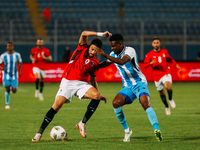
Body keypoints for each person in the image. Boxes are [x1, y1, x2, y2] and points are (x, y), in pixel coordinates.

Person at [32, 31, 112, 142]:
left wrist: (99, 95)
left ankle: (82, 123)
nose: (93, 52)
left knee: (97, 96)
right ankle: (39, 133)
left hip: (81, 84)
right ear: (89, 46)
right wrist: (100, 34)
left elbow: (93, 80)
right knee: (56, 106)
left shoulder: (94, 62)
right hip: (68, 82)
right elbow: (84, 33)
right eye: (92, 49)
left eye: (96, 51)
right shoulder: (82, 48)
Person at [97, 34, 162, 142]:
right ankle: (127, 130)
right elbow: (107, 63)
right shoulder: (113, 54)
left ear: (121, 44)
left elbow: (122, 61)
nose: (112, 48)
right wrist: (95, 66)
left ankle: (157, 130)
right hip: (127, 86)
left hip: (140, 83)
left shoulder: (130, 50)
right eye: (111, 46)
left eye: (114, 46)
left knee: (145, 103)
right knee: (115, 103)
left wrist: (104, 54)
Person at [143, 37, 181, 115]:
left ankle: (170, 99)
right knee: (161, 92)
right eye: (154, 43)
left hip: (166, 72)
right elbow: (144, 65)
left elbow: (170, 58)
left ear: (159, 44)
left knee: (168, 87)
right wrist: (150, 63)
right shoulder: (149, 54)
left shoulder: (164, 51)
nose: (156, 44)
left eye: (157, 42)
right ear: (152, 44)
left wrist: (176, 64)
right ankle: (167, 106)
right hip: (157, 76)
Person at [0, 42, 22, 109]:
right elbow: (0, 63)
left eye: (11, 46)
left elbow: (20, 62)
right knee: (7, 89)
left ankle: (11, 89)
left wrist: (20, 71)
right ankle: (7, 104)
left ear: (13, 47)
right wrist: (2, 68)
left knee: (14, 91)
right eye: (8, 46)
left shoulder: (17, 55)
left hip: (14, 75)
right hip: (6, 74)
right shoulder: (3, 56)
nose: (10, 47)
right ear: (6, 47)